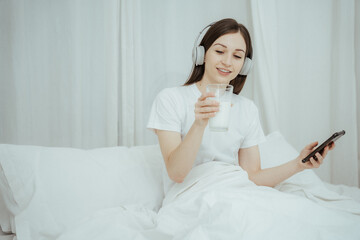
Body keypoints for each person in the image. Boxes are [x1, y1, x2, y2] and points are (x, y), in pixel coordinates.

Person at [147, 18, 335, 193]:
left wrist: (299, 164)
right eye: (220, 51)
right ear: (202, 55)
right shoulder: (170, 99)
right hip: (190, 196)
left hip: (234, 192)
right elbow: (177, 173)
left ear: (245, 66)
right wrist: (199, 124)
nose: (227, 62)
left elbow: (253, 176)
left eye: (237, 56)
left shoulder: (247, 109)